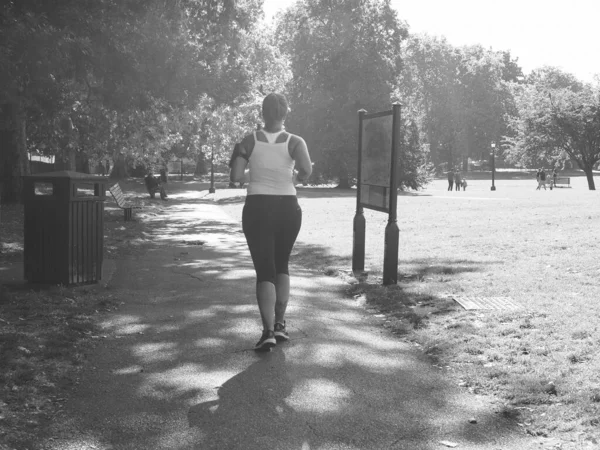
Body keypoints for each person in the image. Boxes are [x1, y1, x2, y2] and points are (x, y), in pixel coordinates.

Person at [230, 93, 312, 351]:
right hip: (288, 208)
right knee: (282, 265)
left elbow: (236, 177)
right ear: (285, 114)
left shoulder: (248, 141)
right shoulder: (296, 142)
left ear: (262, 114)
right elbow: (306, 172)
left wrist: (254, 171)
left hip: (257, 208)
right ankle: (280, 325)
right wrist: (292, 177)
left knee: (264, 270)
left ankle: (266, 332)